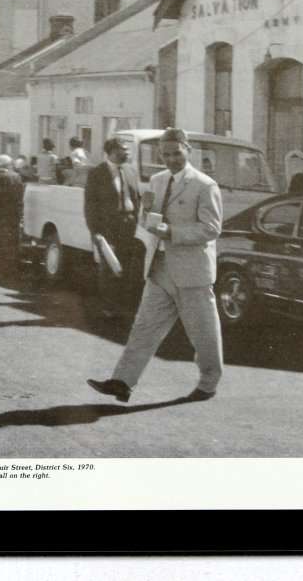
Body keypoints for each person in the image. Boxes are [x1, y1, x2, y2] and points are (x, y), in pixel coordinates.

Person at [87, 128, 224, 404]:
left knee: (203, 333)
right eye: (165, 155)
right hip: (159, 267)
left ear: (188, 151)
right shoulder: (158, 181)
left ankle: (208, 383)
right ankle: (123, 381)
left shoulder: (204, 185)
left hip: (192, 272)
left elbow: (211, 228)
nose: (171, 159)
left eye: (177, 153)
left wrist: (172, 232)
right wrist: (146, 213)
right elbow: (148, 221)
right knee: (144, 327)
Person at [83, 137, 141, 318]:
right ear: (111, 152)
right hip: (108, 228)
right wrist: (96, 233)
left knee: (128, 267)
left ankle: (124, 307)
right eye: (123, 149)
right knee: (109, 268)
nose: (127, 152)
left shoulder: (130, 171)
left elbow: (136, 198)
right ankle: (109, 308)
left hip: (129, 225)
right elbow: (90, 206)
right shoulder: (97, 174)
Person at [0, 154, 24, 275]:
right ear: (9, 164)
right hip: (12, 213)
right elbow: (20, 196)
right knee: (12, 240)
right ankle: (12, 266)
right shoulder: (16, 176)